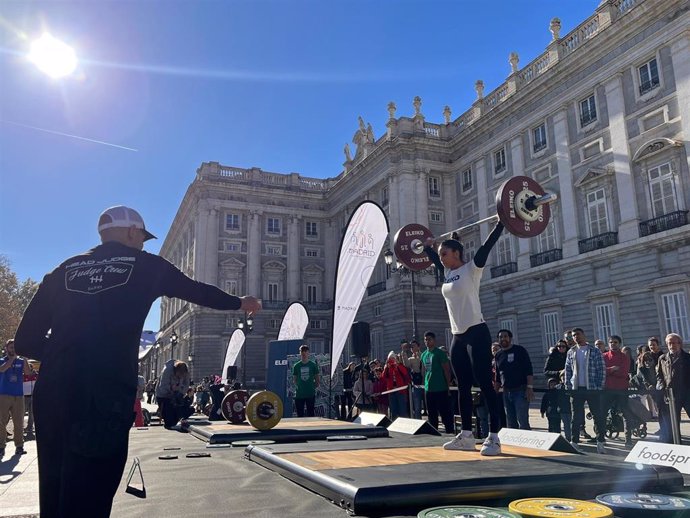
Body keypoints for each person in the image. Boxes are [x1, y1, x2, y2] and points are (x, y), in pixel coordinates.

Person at [13, 205, 261, 518]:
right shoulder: (145, 265)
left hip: (53, 392)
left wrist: (66, 353)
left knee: (55, 484)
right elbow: (195, 291)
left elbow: (24, 341)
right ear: (132, 232)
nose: (143, 243)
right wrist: (240, 303)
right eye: (142, 237)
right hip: (104, 392)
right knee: (92, 490)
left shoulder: (63, 269)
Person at [423, 221, 504, 455]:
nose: (441, 258)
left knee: (485, 385)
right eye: (439, 255)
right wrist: (429, 247)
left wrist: (501, 222)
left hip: (477, 331)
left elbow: (488, 244)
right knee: (463, 387)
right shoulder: (447, 274)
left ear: (456, 253)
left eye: (444, 253)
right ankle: (467, 436)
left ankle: (494, 437)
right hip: (458, 335)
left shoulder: (472, 268)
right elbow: (433, 258)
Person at [564, 327, 607, 454]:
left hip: (592, 387)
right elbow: (567, 370)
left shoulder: (594, 350)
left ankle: (600, 441)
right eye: (573, 335)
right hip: (577, 388)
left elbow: (601, 369)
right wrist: (568, 386)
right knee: (576, 416)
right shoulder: (571, 352)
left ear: (584, 335)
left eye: (578, 334)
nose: (575, 337)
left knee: (597, 415)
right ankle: (575, 441)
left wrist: (600, 386)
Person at [493, 329, 534, 430]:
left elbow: (528, 369)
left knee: (523, 421)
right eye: (500, 337)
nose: (503, 339)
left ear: (510, 338)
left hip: (520, 391)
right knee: (511, 422)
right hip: (506, 392)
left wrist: (529, 387)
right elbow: (498, 375)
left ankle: (526, 444)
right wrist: (495, 391)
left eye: (505, 336)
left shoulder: (520, 350)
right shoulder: (498, 355)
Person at [0, 339, 33, 458]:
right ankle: (1, 447)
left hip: (18, 395)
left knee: (18, 422)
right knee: (1, 422)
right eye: (11, 347)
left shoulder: (21, 361)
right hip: (3, 395)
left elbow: (28, 373)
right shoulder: (2, 360)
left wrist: (24, 359)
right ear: (6, 348)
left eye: (15, 347)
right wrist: (12, 359)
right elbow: (2, 369)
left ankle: (19, 446)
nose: (13, 349)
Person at [656, 333, 690, 444]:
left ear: (680, 344)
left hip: (687, 393)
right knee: (673, 422)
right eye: (669, 343)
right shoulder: (663, 358)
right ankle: (676, 445)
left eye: (674, 343)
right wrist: (661, 386)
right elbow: (659, 375)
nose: (672, 345)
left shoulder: (687, 358)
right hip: (671, 395)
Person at [601, 335, 635, 447]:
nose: (613, 344)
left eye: (615, 342)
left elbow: (623, 372)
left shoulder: (624, 357)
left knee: (626, 414)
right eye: (611, 342)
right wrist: (612, 369)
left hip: (621, 389)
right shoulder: (604, 356)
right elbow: (601, 372)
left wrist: (609, 372)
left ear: (619, 344)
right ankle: (600, 438)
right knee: (602, 413)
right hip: (608, 389)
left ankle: (628, 439)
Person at [421, 332, 454, 434]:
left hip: (441, 387)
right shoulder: (423, 354)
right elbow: (425, 370)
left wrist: (447, 385)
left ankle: (449, 431)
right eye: (425, 339)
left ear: (434, 340)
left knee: (444, 412)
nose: (427, 341)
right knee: (431, 413)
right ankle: (434, 432)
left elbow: (446, 369)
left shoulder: (440, 353)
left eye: (429, 339)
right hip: (428, 388)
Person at [155, 360, 192, 428]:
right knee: (168, 415)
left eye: (183, 375)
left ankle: (177, 419)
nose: (180, 377)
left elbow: (186, 384)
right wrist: (172, 389)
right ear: (175, 371)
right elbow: (163, 386)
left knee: (182, 407)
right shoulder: (167, 371)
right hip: (163, 395)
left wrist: (181, 392)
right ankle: (169, 422)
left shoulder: (186, 372)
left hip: (176, 393)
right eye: (179, 375)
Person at [380, 351, 410, 420]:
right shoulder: (388, 367)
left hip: (401, 391)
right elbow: (383, 377)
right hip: (391, 391)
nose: (392, 360)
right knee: (393, 411)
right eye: (390, 359)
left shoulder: (400, 365)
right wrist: (386, 367)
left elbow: (405, 373)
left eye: (393, 358)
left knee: (402, 410)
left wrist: (398, 364)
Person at [292, 344, 319, 417]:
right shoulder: (296, 366)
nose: (303, 353)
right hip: (299, 394)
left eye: (305, 351)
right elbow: (294, 379)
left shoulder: (313, 365)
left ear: (308, 353)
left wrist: (313, 387)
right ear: (300, 353)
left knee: (311, 413)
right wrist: (298, 387)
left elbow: (317, 379)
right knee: (300, 414)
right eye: (302, 351)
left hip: (310, 393)